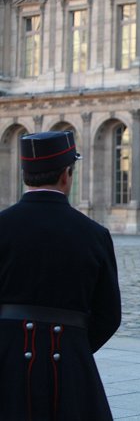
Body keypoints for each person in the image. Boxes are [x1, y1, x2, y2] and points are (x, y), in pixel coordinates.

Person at [0, 130, 122, 420]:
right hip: (67, 359)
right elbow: (109, 315)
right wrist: (73, 343)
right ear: (67, 174)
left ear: (25, 174)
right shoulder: (95, 235)